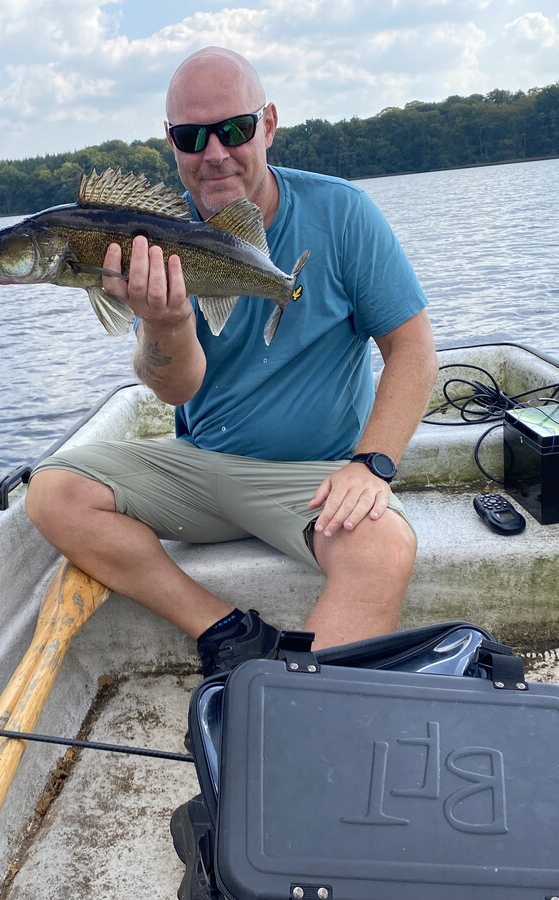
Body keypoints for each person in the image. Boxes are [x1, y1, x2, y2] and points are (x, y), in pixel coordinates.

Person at [25, 46, 438, 676]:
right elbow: (175, 389)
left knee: (383, 550)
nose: (214, 153)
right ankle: (227, 632)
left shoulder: (342, 213)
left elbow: (412, 349)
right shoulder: (147, 235)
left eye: (235, 129)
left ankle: (301, 709)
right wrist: (165, 322)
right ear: (171, 142)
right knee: (52, 493)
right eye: (192, 137)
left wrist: (371, 465)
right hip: (201, 469)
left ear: (268, 124)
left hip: (312, 480)